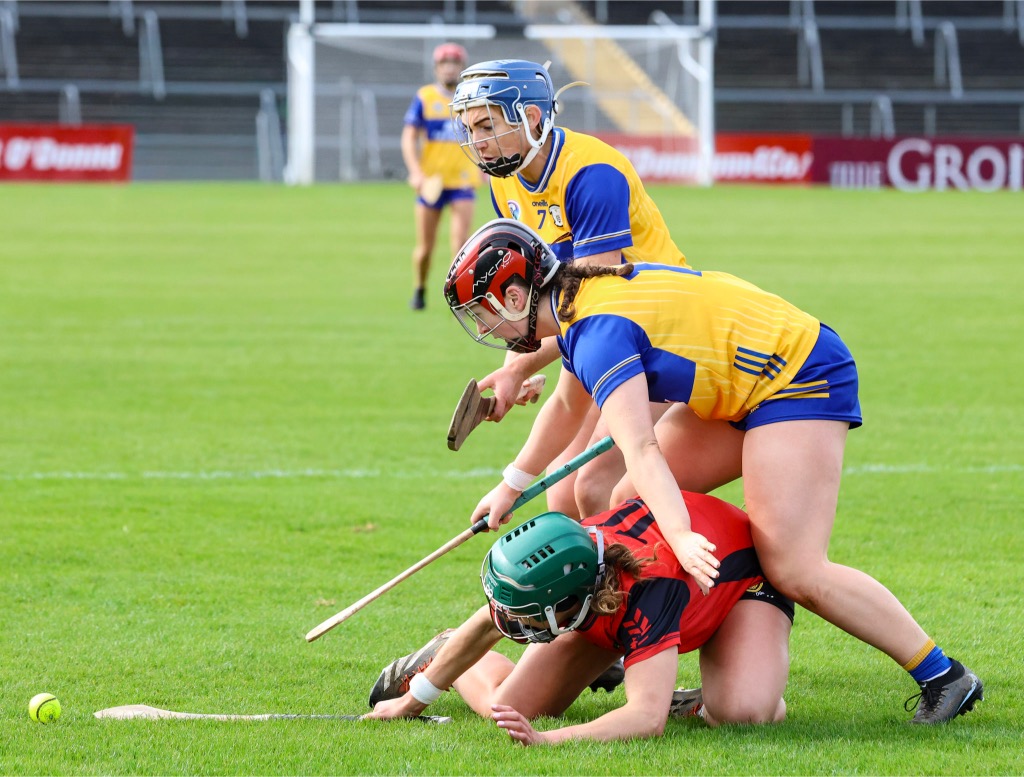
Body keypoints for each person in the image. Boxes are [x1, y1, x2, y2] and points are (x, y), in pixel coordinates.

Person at [441, 218, 984, 724]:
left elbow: (643, 447)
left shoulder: (598, 330)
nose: (484, 326)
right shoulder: (577, 302)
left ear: (515, 296)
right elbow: (565, 408)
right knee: (634, 496)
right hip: (740, 384)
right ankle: (644, 638)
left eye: (483, 311)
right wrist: (511, 484)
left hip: (795, 375)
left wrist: (679, 533)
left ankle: (943, 675)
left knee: (794, 566)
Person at [448, 58, 688, 517]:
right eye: (469, 128)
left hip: (661, 329)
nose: (476, 141)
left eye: (486, 125)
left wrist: (520, 368)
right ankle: (598, 591)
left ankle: (674, 583)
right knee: (562, 495)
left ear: (530, 117)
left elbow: (590, 301)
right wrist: (511, 368)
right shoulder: (507, 183)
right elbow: (535, 291)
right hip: (606, 331)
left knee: (597, 488)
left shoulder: (590, 172)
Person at [365, 493, 794, 742]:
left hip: (743, 587)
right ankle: (447, 647)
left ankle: (701, 698)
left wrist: (547, 740)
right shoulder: (574, 566)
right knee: (510, 708)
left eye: (529, 617)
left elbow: (646, 720)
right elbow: (484, 625)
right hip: (623, 605)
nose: (516, 626)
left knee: (744, 712)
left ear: (569, 601)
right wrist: (411, 701)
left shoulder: (647, 589)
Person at [401, 42, 479, 311]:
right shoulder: (425, 98)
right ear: (436, 68)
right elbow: (408, 138)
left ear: (461, 68)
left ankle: (456, 298)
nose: (449, 68)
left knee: (461, 245)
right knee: (425, 249)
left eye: (454, 63)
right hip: (432, 184)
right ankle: (419, 288)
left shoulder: (471, 98)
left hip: (462, 181)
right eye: (444, 63)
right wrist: (416, 173)